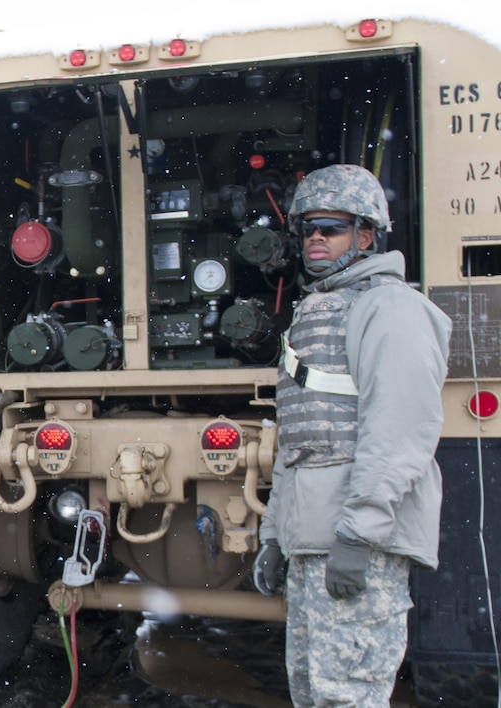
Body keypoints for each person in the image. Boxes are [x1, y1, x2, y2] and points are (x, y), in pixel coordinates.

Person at [252, 164, 451, 706]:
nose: (316, 238)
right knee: (316, 693)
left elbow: (399, 433)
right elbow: (303, 442)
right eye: (308, 228)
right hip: (315, 542)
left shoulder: (390, 309)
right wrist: (275, 535)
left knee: (349, 696)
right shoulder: (319, 309)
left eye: (332, 227)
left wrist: (359, 535)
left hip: (358, 544)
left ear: (366, 235)